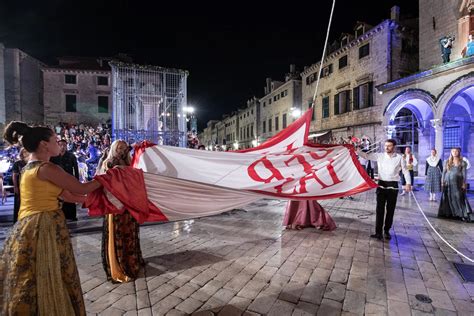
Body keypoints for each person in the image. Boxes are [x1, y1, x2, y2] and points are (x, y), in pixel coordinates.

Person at [1, 121, 101, 315]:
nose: (59, 143)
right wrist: (109, 178)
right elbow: (81, 188)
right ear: (44, 144)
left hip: (28, 225)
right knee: (50, 271)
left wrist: (97, 202)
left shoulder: (30, 167)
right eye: (55, 140)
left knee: (31, 275)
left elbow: (68, 196)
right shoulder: (48, 169)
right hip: (44, 225)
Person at [98, 140, 144, 283]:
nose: (121, 151)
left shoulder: (130, 163)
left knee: (129, 233)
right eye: (119, 148)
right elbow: (106, 183)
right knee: (118, 234)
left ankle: (132, 260)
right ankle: (120, 266)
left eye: (124, 148)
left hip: (129, 205)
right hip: (116, 206)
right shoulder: (109, 163)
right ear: (114, 149)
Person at [358, 139, 411, 240]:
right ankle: (378, 232)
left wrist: (408, 183)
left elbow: (405, 171)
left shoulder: (399, 158)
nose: (386, 148)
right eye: (385, 146)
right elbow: (366, 156)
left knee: (390, 210)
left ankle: (386, 231)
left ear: (393, 147)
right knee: (379, 210)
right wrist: (356, 150)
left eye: (389, 146)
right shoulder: (380, 156)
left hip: (393, 186)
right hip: (381, 185)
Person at [438, 147, 473, 222]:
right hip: (448, 183)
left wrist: (464, 183)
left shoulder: (463, 162)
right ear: (451, 152)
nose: (455, 152)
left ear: (459, 152)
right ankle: (449, 213)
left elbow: (464, 174)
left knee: (459, 197)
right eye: (453, 151)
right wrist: (442, 182)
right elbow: (444, 173)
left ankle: (462, 214)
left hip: (458, 183)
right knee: (448, 197)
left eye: (456, 151)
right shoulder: (447, 162)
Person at [51, 139, 80, 221]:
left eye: (64, 145)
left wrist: (76, 181)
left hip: (69, 179)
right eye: (60, 145)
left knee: (71, 197)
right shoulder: (54, 157)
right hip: (58, 180)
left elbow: (76, 169)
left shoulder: (71, 156)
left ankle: (71, 216)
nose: (62, 147)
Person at [11, 148, 29, 223]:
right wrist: (15, 187)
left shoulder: (31, 162)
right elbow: (14, 176)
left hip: (29, 186)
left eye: (27, 151)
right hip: (20, 185)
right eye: (24, 152)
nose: (26, 153)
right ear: (21, 154)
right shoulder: (17, 163)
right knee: (19, 203)